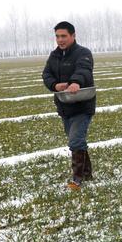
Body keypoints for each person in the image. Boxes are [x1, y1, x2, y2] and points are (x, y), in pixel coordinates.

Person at [42, 21, 96, 190]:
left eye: (63, 36)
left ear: (73, 36)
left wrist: (75, 83)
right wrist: (54, 85)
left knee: (75, 140)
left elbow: (84, 70)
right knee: (77, 141)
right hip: (64, 106)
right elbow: (46, 74)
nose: (60, 40)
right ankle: (87, 173)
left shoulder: (83, 53)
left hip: (82, 105)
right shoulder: (54, 56)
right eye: (57, 36)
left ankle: (77, 179)